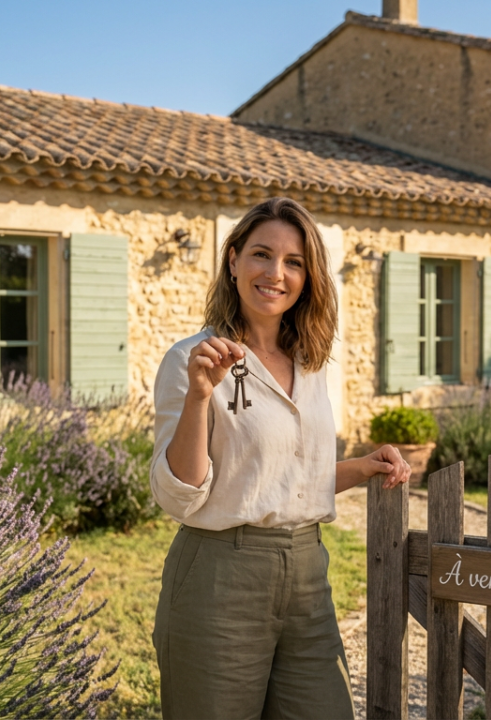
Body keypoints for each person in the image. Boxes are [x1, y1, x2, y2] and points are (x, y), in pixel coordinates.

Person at [149, 197, 412, 719]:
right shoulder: (191, 359)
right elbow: (181, 493)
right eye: (261, 254)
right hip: (220, 576)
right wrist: (201, 396)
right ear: (233, 260)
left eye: (293, 262)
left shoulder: (311, 363)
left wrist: (362, 467)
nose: (276, 273)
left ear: (308, 275)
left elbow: (282, 479)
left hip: (308, 574)